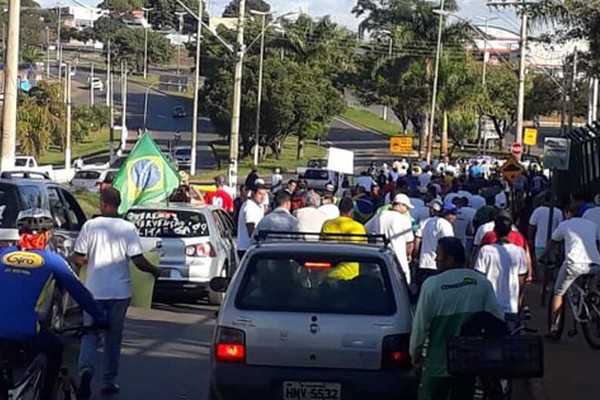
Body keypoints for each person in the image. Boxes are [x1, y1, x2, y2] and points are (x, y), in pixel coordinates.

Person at [0, 209, 106, 400]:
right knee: (55, 349)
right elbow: (79, 292)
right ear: (48, 235)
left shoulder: (3, 254)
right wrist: (99, 317)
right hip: (29, 329)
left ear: (19, 233)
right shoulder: (52, 261)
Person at [72, 188, 161, 399]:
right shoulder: (128, 228)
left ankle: (85, 371)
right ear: (118, 204)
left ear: (102, 204)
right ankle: (109, 381)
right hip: (120, 293)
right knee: (113, 338)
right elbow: (138, 260)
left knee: (89, 334)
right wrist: (155, 271)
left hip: (93, 292)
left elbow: (78, 258)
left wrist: (87, 262)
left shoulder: (90, 226)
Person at [410, 238, 503, 400]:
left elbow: (420, 325)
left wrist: (415, 352)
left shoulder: (432, 284)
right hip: (468, 365)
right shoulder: (481, 283)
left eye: (438, 255)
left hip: (437, 365)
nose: (435, 259)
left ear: (450, 259)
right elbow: (497, 318)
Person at [543, 202, 600, 337]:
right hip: (595, 263)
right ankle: (592, 305)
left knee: (558, 292)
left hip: (573, 263)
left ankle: (554, 327)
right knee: (590, 290)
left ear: (567, 213)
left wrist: (544, 255)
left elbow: (553, 241)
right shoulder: (592, 225)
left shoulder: (564, 225)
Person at [474, 214, 528, 330]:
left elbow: (479, 278)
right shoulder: (519, 252)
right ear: (510, 231)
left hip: (489, 307)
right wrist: (519, 300)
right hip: (511, 307)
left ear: (494, 231)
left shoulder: (485, 250)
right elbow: (521, 281)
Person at [321, 197, 367, 280]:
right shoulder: (359, 228)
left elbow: (321, 245)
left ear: (339, 209)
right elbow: (366, 254)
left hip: (329, 275)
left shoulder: (327, 224)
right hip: (351, 276)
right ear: (352, 211)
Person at [414, 200, 456, 285]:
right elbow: (448, 245)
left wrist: (416, 257)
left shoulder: (426, 221)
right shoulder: (445, 224)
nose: (454, 217)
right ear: (445, 213)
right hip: (437, 265)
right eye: (452, 214)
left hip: (423, 263)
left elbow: (417, 239)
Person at [378, 194, 415, 284]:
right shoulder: (405, 220)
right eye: (407, 207)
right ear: (401, 205)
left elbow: (367, 229)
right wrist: (409, 255)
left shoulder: (380, 216)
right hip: (399, 261)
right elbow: (409, 243)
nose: (407, 210)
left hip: (379, 260)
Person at [528, 192, 564, 270]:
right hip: (553, 245)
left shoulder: (537, 211)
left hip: (540, 243)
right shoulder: (558, 212)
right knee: (551, 266)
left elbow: (531, 226)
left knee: (541, 266)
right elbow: (561, 228)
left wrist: (530, 239)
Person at [236, 184, 268, 260]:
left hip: (250, 248)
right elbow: (251, 228)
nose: (262, 197)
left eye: (264, 194)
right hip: (247, 248)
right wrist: (258, 242)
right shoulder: (250, 207)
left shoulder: (258, 206)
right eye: (260, 194)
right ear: (253, 193)